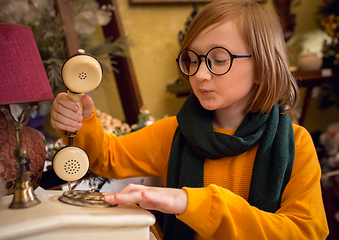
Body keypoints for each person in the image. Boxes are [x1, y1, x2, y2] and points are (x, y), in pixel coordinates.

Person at [50, 0, 329, 239]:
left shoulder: (296, 144)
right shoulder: (174, 132)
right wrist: (82, 119)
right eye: (192, 60)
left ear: (262, 65)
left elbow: (305, 232)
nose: (199, 74)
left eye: (219, 60)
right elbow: (104, 158)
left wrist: (193, 203)